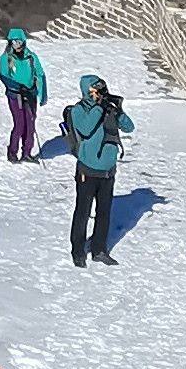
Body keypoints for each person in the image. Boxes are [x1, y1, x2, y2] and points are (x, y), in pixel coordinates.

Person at [61, 72, 133, 265]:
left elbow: (129, 127)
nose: (99, 93)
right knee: (82, 211)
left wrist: (118, 110)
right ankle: (78, 250)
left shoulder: (107, 107)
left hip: (108, 171)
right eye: (95, 89)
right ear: (87, 91)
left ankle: (99, 249)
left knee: (104, 212)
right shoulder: (79, 110)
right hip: (88, 170)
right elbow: (86, 128)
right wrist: (99, 107)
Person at [0, 26, 47, 162]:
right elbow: (4, 76)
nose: (17, 45)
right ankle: (12, 152)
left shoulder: (31, 57)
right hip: (15, 95)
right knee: (20, 124)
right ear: (10, 43)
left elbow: (40, 74)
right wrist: (17, 87)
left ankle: (27, 153)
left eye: (19, 42)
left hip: (30, 95)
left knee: (30, 124)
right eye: (14, 42)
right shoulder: (6, 58)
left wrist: (42, 95)